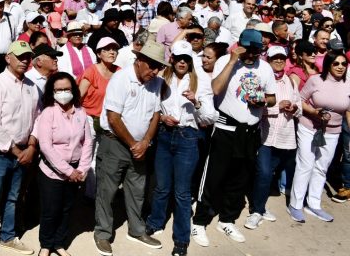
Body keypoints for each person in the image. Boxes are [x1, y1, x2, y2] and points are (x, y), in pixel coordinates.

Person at [191, 29, 276, 247]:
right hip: (225, 129)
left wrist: (262, 101)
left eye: (254, 51)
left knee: (239, 179)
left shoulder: (265, 68)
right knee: (213, 177)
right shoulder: (225, 62)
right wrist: (232, 60)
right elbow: (216, 88)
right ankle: (199, 222)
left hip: (250, 132)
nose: (249, 54)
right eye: (246, 49)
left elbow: (273, 98)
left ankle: (227, 219)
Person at [93, 40, 165, 256]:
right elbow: (113, 117)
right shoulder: (121, 79)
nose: (154, 71)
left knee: (137, 190)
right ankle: (103, 234)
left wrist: (145, 142)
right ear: (140, 60)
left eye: (158, 67)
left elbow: (155, 115)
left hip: (140, 146)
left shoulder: (155, 82)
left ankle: (137, 229)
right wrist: (134, 144)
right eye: (152, 66)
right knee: (107, 190)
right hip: (115, 144)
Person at [146, 41, 216, 256]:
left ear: (190, 61)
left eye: (186, 59)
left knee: (183, 192)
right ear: (173, 59)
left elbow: (210, 117)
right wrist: (162, 117)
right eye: (179, 58)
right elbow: (153, 104)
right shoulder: (162, 79)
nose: (182, 62)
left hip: (187, 136)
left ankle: (181, 239)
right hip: (166, 135)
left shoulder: (200, 81)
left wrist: (196, 102)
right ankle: (155, 222)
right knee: (161, 186)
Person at [0, 40, 40, 256]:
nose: (25, 61)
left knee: (13, 197)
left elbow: (37, 118)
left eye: (28, 57)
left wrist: (31, 145)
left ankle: (7, 236)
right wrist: (17, 151)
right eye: (20, 56)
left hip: (23, 150)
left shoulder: (32, 86)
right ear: (7, 58)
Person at [288, 50, 350, 223]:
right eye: (336, 63)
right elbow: (299, 100)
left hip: (332, 132)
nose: (340, 67)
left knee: (322, 167)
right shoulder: (316, 80)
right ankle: (295, 205)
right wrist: (314, 112)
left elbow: (349, 111)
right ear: (329, 64)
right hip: (309, 127)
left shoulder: (349, 84)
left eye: (344, 64)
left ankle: (313, 204)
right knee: (305, 164)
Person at [34, 72, 91, 256]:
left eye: (67, 89)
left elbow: (88, 142)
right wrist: (68, 171)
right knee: (51, 210)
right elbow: (46, 146)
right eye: (58, 90)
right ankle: (46, 244)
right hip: (52, 172)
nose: (63, 93)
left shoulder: (81, 113)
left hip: (76, 170)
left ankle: (59, 243)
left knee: (67, 209)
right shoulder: (48, 113)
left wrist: (82, 169)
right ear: (52, 92)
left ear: (73, 89)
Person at [246, 45, 301, 230]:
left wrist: (294, 108)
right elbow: (255, 106)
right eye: (274, 58)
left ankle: (259, 206)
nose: (278, 61)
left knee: (268, 172)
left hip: (284, 135)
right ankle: (256, 210)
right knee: (263, 171)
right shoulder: (261, 79)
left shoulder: (291, 82)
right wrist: (278, 106)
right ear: (267, 60)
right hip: (265, 135)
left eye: (281, 58)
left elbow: (299, 105)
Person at [77, 37, 120, 201]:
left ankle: (97, 192)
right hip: (90, 118)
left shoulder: (119, 71)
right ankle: (91, 194)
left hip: (110, 121)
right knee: (90, 156)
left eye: (114, 49)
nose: (112, 52)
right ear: (98, 53)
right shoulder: (91, 71)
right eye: (107, 49)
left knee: (106, 158)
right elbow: (79, 98)